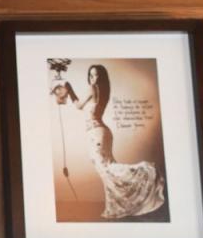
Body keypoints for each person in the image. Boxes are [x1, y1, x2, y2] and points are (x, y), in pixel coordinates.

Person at [52, 64, 165, 219]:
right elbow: (82, 106)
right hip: (101, 132)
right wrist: (69, 90)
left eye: (96, 75)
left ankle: (147, 171)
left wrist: (70, 89)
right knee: (107, 170)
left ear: (101, 77)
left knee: (107, 169)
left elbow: (78, 106)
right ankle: (119, 205)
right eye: (91, 75)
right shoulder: (103, 91)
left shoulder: (93, 88)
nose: (93, 78)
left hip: (96, 133)